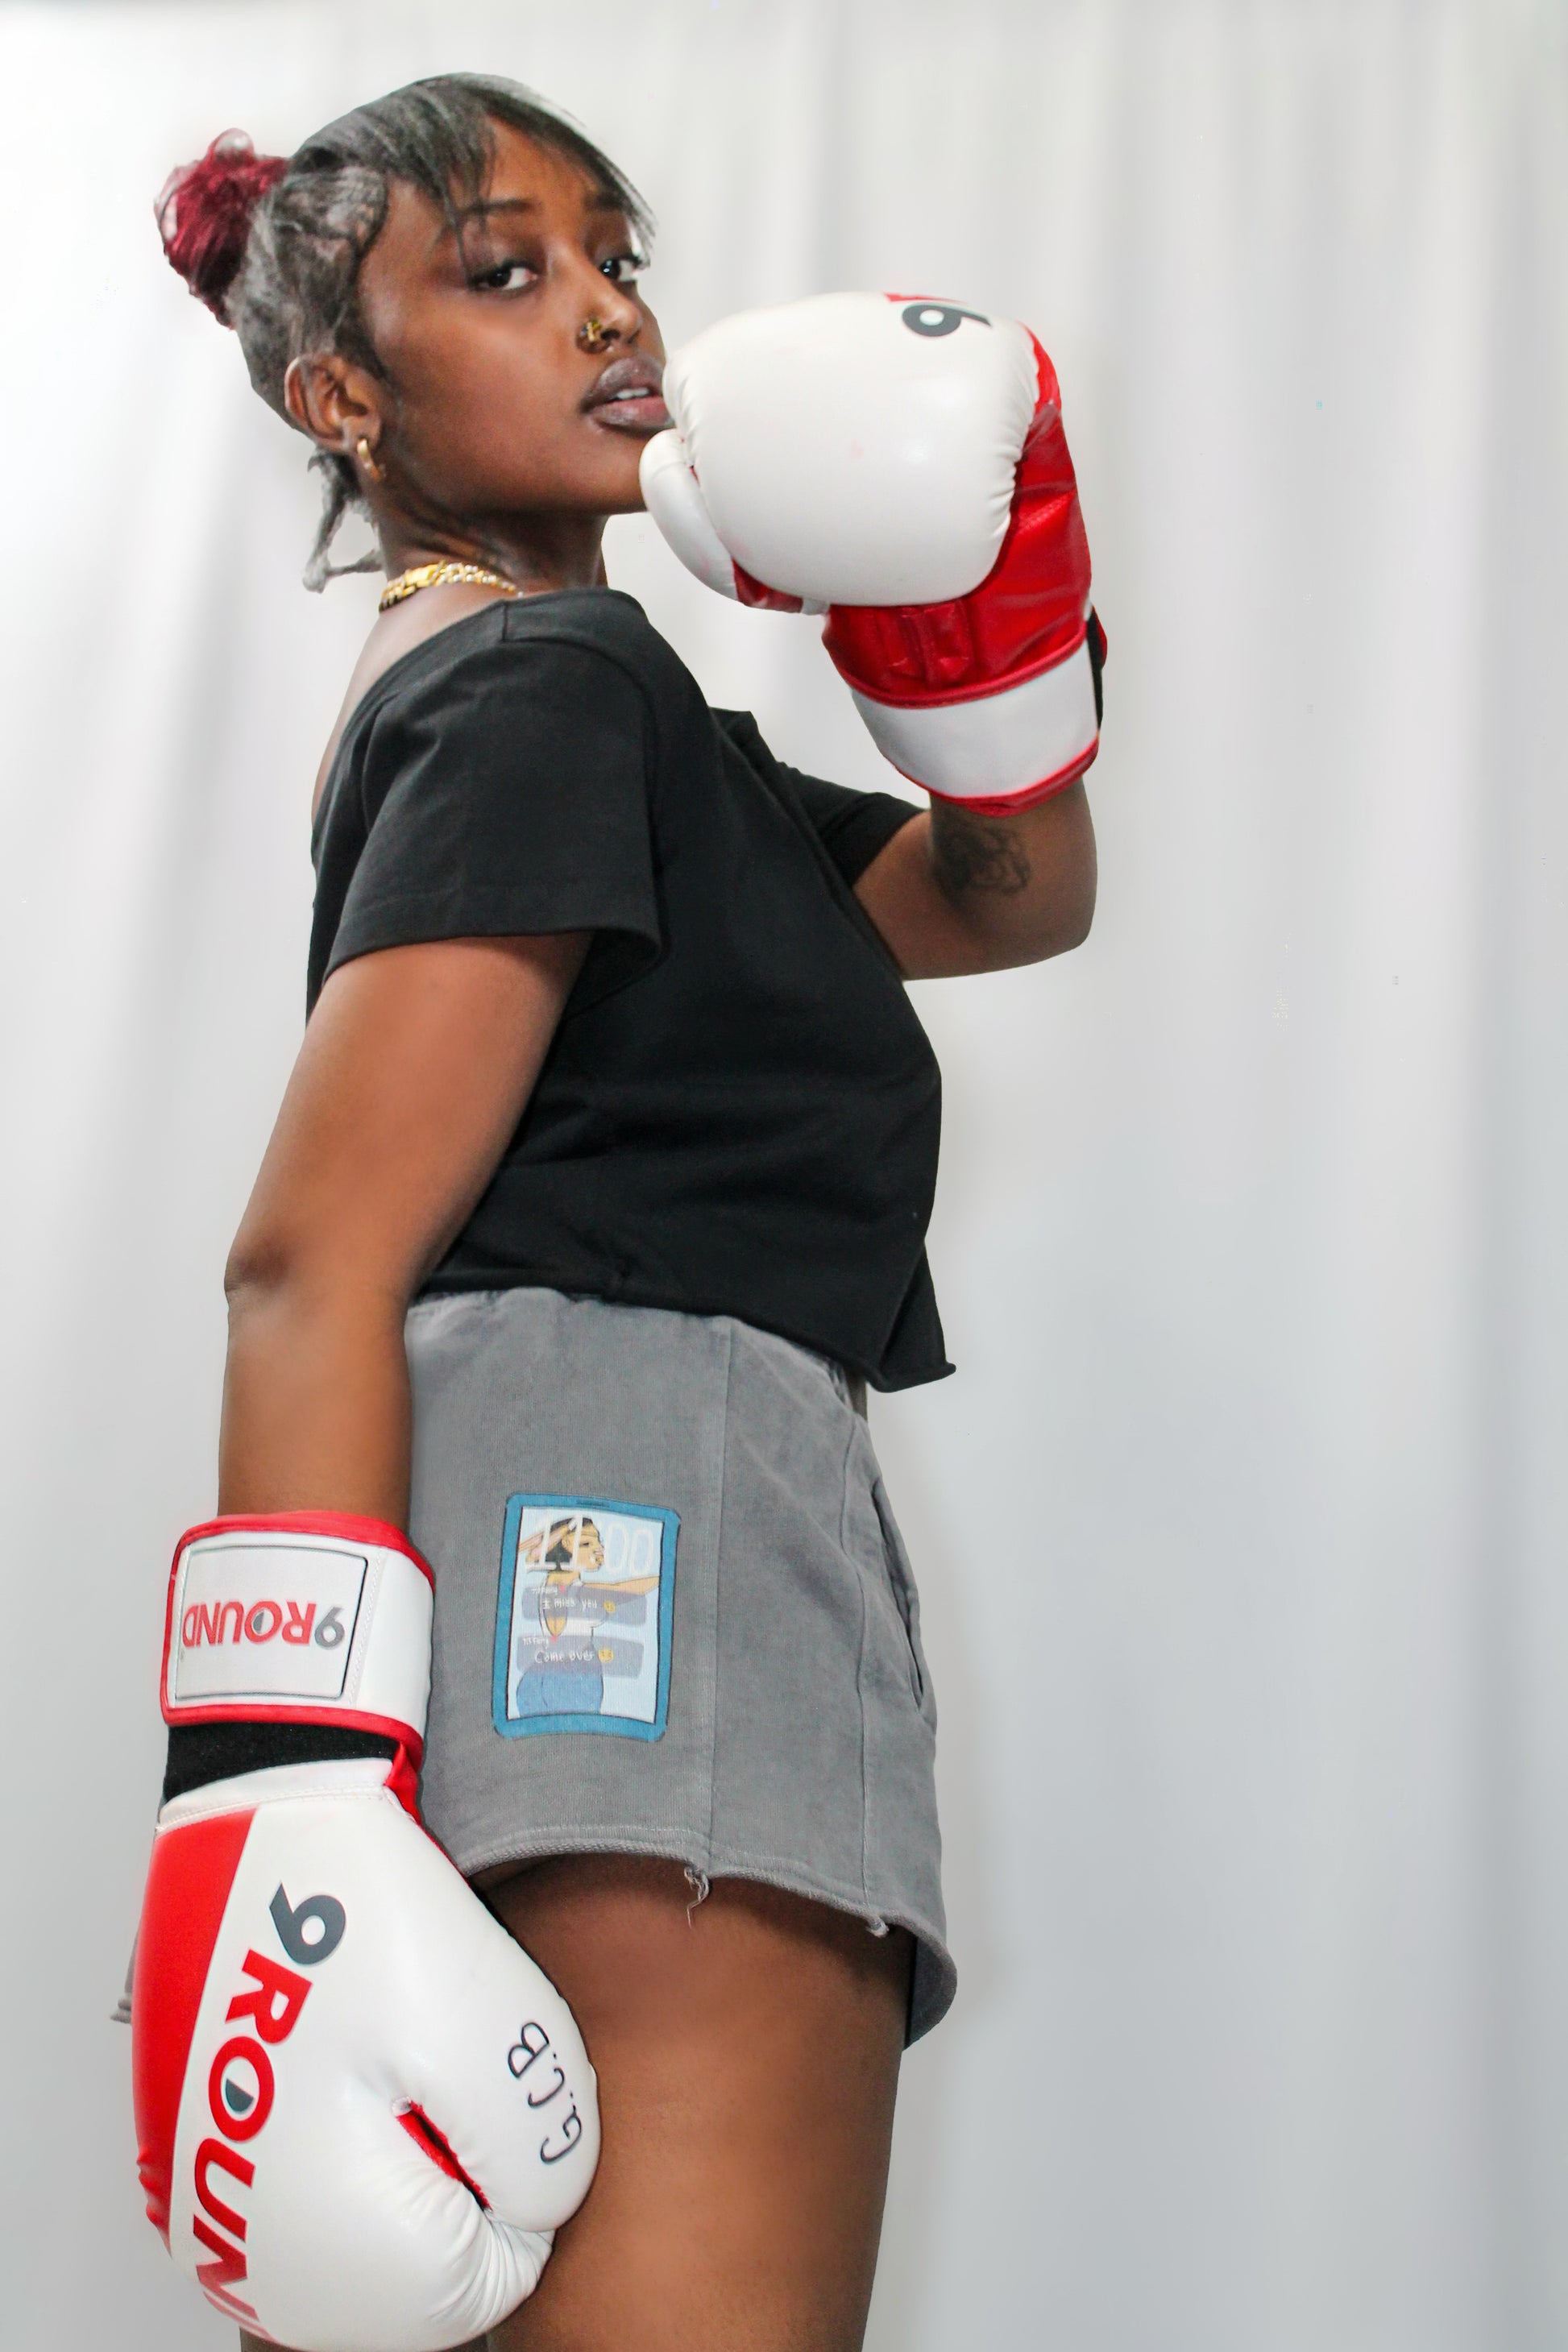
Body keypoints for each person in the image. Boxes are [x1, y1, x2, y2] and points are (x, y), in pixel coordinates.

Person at [139, 71, 1101, 2352]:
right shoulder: (550, 679)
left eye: (613, 257)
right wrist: (277, 1793)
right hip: (637, 1529)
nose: (605, 314)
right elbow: (311, 1253)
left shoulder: (610, 718)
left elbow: (1008, 898)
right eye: (506, 271)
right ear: (343, 397)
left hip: (533, 1545)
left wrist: (978, 635)